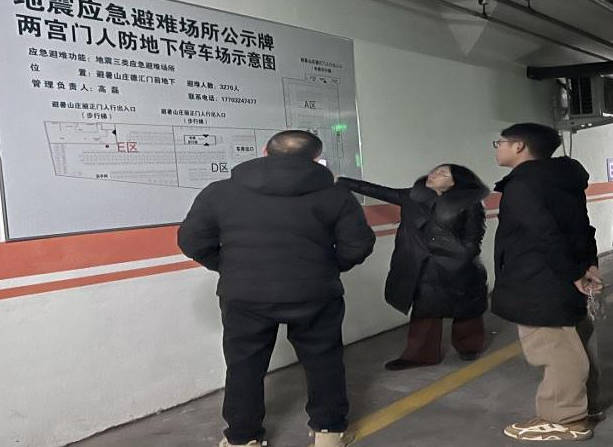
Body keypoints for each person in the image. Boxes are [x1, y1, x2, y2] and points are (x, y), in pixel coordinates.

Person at [177, 130, 376, 447]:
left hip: (244, 295)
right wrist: (324, 268)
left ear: (265, 151)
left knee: (244, 365)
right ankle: (329, 433)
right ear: (315, 158)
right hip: (315, 294)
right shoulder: (336, 195)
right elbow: (358, 245)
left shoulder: (220, 192)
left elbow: (191, 241)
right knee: (323, 360)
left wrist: (230, 268)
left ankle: (242, 438)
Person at [492, 123, 602, 442]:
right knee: (574, 341)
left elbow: (544, 235)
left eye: (500, 142)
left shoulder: (523, 185)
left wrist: (573, 273)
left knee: (554, 349)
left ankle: (564, 419)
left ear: (519, 147)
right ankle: (587, 406)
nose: (498, 148)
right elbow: (582, 227)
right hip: (563, 275)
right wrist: (587, 265)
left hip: (539, 280)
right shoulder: (562, 179)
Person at [337, 164, 490, 370]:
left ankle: (469, 347)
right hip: (423, 267)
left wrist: (446, 249)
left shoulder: (469, 204)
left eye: (443, 174)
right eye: (435, 170)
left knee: (466, 312)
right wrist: (342, 181)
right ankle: (420, 355)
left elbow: (472, 242)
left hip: (456, 267)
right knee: (424, 312)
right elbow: (379, 191)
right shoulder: (414, 196)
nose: (434, 174)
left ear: (456, 183)